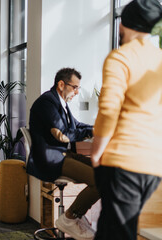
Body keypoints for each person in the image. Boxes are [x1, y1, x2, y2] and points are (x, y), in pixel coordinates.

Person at [91, 0, 162, 239]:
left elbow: (109, 109)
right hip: (153, 166)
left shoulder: (120, 57)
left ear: (123, 23)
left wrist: (96, 152)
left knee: (114, 235)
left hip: (124, 160)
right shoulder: (159, 59)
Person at [27, 68, 98, 240]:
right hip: (51, 159)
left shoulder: (60, 103)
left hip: (61, 155)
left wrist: (96, 129)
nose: (77, 92)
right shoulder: (47, 102)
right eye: (74, 87)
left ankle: (76, 217)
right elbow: (63, 135)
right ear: (61, 84)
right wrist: (91, 132)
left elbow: (76, 126)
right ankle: (70, 218)